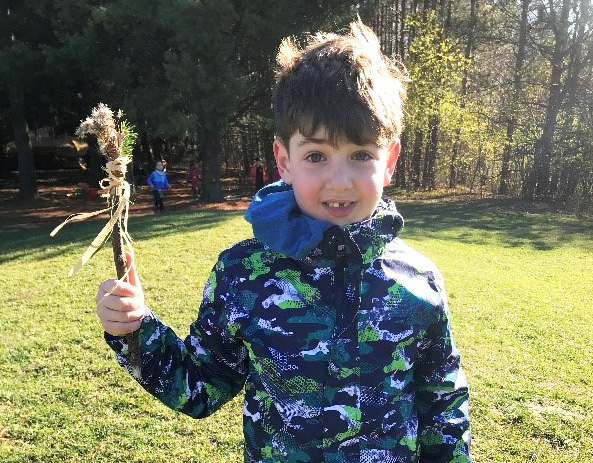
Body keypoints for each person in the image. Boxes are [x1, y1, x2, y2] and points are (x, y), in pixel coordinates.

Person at [96, 20, 471, 463]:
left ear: (389, 160)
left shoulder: (419, 282)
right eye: (316, 156)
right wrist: (135, 329)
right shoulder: (243, 275)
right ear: (283, 160)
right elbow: (199, 388)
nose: (340, 180)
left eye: (361, 155)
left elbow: (442, 401)